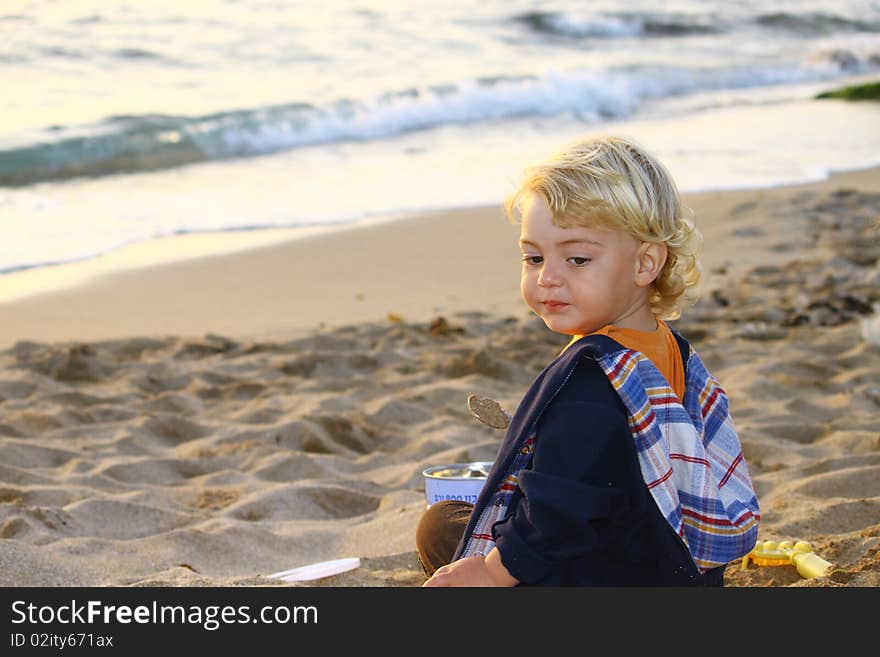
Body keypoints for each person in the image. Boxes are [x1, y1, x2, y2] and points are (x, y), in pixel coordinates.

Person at [416, 135, 760, 586]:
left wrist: (489, 572)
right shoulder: (671, 350)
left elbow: (559, 518)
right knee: (452, 521)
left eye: (577, 258)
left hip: (601, 575)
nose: (548, 277)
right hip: (667, 564)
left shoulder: (589, 384)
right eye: (533, 257)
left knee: (439, 529)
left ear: (645, 264)